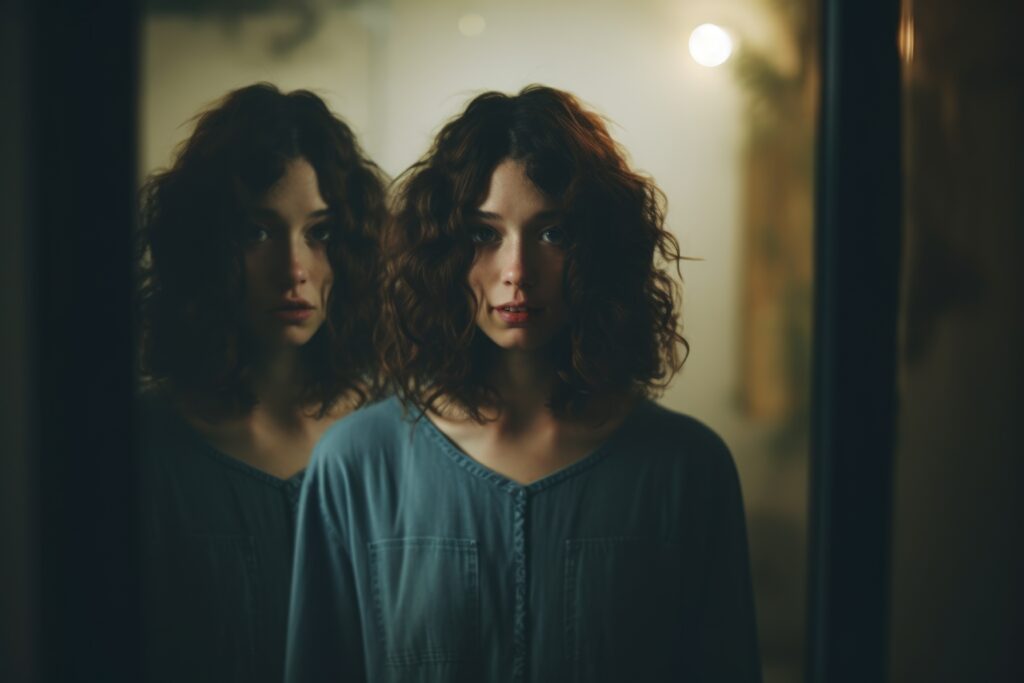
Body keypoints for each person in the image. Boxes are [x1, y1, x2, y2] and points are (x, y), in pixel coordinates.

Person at [285, 85, 761, 682]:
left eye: (553, 234)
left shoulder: (685, 467)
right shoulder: (355, 465)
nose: (517, 272)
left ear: (600, 249)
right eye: (485, 235)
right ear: (442, 251)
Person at [135, 83, 386, 683]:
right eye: (258, 231)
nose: (294, 270)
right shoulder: (146, 448)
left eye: (320, 233)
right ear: (208, 246)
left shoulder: (404, 437)